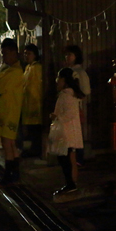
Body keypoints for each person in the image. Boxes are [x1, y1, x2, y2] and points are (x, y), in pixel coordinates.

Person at [0, 38, 25, 187]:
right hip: (8, 110)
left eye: (4, 53)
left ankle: (8, 177)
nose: (3, 57)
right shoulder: (12, 69)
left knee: (7, 144)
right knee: (10, 144)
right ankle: (14, 175)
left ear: (13, 52)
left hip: (10, 111)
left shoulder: (15, 72)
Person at [49, 68, 85, 196]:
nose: (56, 81)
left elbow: (69, 114)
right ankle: (72, 184)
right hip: (69, 132)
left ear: (64, 80)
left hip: (67, 133)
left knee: (66, 159)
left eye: (58, 78)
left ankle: (70, 184)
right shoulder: (71, 94)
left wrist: (56, 117)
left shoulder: (66, 95)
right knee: (70, 158)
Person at [64, 45, 90, 167]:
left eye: (70, 55)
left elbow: (85, 91)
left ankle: (78, 159)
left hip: (76, 106)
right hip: (70, 106)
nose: (67, 57)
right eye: (66, 55)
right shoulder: (71, 71)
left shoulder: (79, 72)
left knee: (76, 133)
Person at [21, 44, 43, 157]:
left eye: (29, 53)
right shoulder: (28, 67)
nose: (26, 56)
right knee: (30, 129)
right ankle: (32, 150)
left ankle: (36, 151)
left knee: (35, 129)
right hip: (28, 102)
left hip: (35, 103)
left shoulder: (37, 68)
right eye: (25, 53)